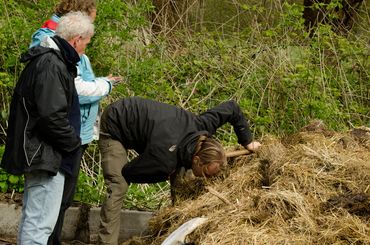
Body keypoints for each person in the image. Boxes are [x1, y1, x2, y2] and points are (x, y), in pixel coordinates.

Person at [97, 97, 262, 244]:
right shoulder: (164, 159)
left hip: (154, 133)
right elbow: (129, 172)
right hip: (116, 122)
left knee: (181, 178)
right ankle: (106, 242)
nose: (206, 179)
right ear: (196, 160)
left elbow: (232, 107)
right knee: (119, 184)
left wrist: (247, 141)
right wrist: (164, 173)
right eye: (205, 173)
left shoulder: (203, 125)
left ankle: (174, 234)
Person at [30, 1, 121, 244]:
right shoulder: (52, 47)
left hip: (74, 133)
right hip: (66, 135)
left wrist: (101, 80)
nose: (91, 29)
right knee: (51, 203)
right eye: (90, 22)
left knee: (60, 200)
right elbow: (73, 90)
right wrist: (105, 86)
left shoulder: (59, 46)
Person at [0, 12, 94, 245]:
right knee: (40, 225)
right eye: (86, 43)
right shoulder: (51, 64)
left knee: (34, 222)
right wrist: (73, 144)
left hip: (42, 154)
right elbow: (51, 117)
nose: (85, 50)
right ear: (76, 40)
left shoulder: (50, 60)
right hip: (45, 155)